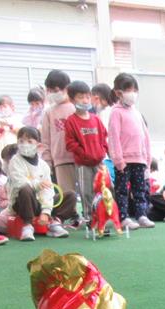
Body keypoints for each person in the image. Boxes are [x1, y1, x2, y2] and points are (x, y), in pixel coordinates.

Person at [5, 126, 73, 240]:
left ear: (38, 145)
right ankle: (27, 225)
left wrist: (46, 211)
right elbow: (18, 183)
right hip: (22, 203)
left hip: (40, 203)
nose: (24, 144)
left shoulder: (43, 165)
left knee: (70, 196)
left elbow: (48, 190)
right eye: (21, 141)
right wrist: (37, 184)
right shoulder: (15, 161)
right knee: (25, 189)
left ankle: (54, 222)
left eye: (29, 141)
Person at [107, 72, 154, 230]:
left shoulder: (136, 112)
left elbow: (145, 136)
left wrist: (147, 160)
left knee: (140, 190)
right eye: (128, 90)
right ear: (118, 93)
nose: (132, 93)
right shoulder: (116, 112)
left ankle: (141, 215)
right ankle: (123, 217)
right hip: (124, 161)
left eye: (134, 90)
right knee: (121, 190)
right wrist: (118, 160)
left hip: (140, 159)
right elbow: (113, 137)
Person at [64, 79, 108, 226]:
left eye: (87, 97)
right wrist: (83, 154)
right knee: (86, 191)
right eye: (80, 97)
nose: (85, 100)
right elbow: (70, 143)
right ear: (72, 100)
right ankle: (90, 217)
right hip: (83, 164)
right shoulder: (71, 121)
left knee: (105, 188)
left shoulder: (96, 119)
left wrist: (102, 152)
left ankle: (105, 214)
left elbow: (104, 137)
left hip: (99, 162)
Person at [40, 70, 77, 214]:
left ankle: (90, 216)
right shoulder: (49, 112)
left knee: (87, 191)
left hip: (80, 157)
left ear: (66, 88)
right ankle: (72, 215)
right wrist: (47, 161)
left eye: (55, 90)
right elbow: (45, 140)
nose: (52, 94)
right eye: (49, 91)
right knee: (67, 194)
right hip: (60, 159)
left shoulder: (76, 107)